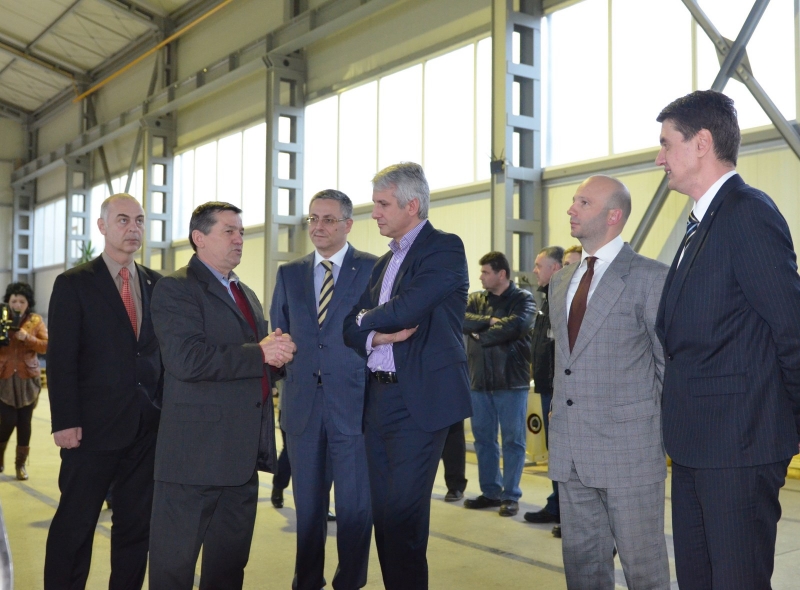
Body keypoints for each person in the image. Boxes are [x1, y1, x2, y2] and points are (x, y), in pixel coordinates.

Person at [655, 90, 800, 588]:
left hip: (739, 446)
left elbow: (791, 327)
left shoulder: (746, 213)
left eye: (666, 144)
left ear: (701, 143)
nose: (659, 158)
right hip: (697, 443)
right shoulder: (702, 222)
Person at [148, 202, 296, 590]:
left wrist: (277, 356)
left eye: (241, 232)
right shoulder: (176, 288)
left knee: (228, 569)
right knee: (173, 567)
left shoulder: (245, 293)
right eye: (229, 231)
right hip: (193, 458)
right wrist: (260, 353)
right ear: (199, 238)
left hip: (240, 458)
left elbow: (254, 362)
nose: (239, 239)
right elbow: (186, 360)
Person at [343, 162, 471, 590]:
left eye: (382, 204)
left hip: (419, 402)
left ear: (411, 205)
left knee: (403, 516)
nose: (374, 213)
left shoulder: (443, 249)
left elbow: (407, 309)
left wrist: (365, 320)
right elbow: (347, 328)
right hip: (378, 401)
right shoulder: (383, 263)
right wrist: (375, 333)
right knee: (385, 515)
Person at [548, 175, 670, 588]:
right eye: (574, 200)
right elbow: (566, 362)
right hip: (570, 452)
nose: (571, 209)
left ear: (613, 215)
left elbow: (666, 366)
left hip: (629, 453)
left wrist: (651, 431)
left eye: (583, 202)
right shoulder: (561, 281)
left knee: (644, 568)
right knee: (583, 568)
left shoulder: (651, 277)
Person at [44, 193, 163, 590]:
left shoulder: (156, 284)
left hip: (145, 430)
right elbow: (61, 358)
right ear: (102, 226)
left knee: (135, 528)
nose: (133, 228)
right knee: (75, 526)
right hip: (90, 432)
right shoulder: (74, 283)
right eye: (123, 220)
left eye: (139, 221)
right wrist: (65, 421)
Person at [270, 189, 377, 590]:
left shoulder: (373, 269)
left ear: (348, 224)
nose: (318, 226)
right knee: (308, 507)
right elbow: (279, 332)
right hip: (302, 407)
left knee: (355, 507)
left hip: (355, 405)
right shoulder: (289, 273)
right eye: (313, 218)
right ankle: (307, 580)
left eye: (329, 219)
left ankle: (350, 581)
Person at [462, 251, 535, 517]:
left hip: (511, 382)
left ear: (501, 274)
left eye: (485, 272)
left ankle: (510, 495)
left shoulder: (523, 299)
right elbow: (460, 318)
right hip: (479, 381)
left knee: (513, 441)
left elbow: (516, 326)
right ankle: (491, 492)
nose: (481, 277)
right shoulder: (475, 299)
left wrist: (480, 335)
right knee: (483, 440)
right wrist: (488, 321)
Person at [523, 246, 562, 530]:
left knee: (561, 451)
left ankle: (564, 509)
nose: (535, 270)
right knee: (554, 450)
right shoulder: (547, 299)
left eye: (539, 265)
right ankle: (557, 504)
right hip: (547, 385)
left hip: (558, 388)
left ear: (555, 268)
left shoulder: (561, 300)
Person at [0, 282, 47, 480]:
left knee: (24, 423)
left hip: (28, 379)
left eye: (22, 301)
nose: (17, 305)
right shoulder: (1, 319)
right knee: (7, 421)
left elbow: (46, 346)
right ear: (8, 301)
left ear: (28, 303)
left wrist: (28, 338)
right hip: (4, 377)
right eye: (14, 301)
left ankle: (20, 465)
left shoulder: (36, 321)